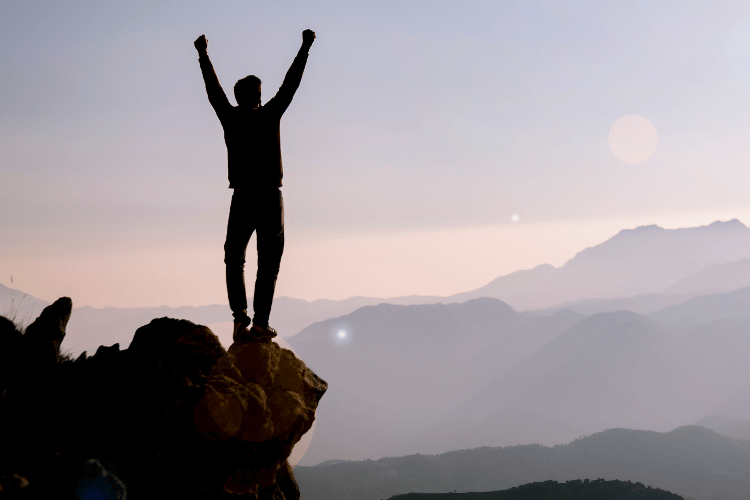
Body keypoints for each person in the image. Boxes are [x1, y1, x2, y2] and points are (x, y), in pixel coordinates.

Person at [194, 30, 315, 341]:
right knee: (268, 263)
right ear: (259, 96)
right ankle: (260, 323)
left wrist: (203, 54)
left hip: (243, 197)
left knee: (234, 258)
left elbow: (213, 90)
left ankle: (240, 319)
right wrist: (305, 47)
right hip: (270, 197)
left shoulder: (230, 118)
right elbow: (291, 84)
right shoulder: (270, 115)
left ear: (238, 97)